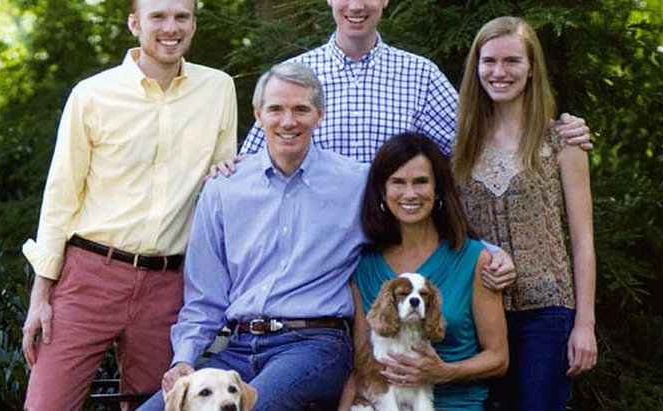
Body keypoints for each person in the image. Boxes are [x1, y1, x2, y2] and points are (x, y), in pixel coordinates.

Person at [20, 0, 237, 409]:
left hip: (168, 284)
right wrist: (41, 297)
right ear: (135, 24)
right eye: (158, 17)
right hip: (89, 278)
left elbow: (219, 188)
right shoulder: (92, 94)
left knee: (153, 406)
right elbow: (60, 196)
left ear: (193, 24)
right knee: (46, 404)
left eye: (181, 17)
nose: (170, 28)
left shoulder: (218, 88)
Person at [138, 62, 370, 411]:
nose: (288, 121)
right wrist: (183, 359)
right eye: (276, 109)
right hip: (238, 348)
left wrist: (482, 254)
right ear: (258, 115)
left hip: (315, 344)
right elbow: (204, 296)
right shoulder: (224, 188)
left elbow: (423, 226)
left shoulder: (358, 183)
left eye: (301, 109)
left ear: (320, 115)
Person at [238, 0, 592, 164]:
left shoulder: (420, 75)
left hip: (398, 248)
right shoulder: (292, 75)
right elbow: (254, 164)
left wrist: (552, 129)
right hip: (317, 249)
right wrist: (225, 167)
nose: (356, 6)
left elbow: (476, 140)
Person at [452, 16, 597, 411]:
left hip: (547, 312)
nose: (499, 72)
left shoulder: (563, 142)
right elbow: (451, 231)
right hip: (477, 313)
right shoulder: (459, 148)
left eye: (512, 61)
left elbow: (583, 241)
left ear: (531, 68)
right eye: (489, 61)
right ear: (476, 67)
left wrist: (585, 324)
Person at [339, 133, 508, 410]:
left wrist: (443, 372)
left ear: (438, 189)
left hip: (454, 403)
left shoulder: (474, 259)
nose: (410, 194)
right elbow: (361, 360)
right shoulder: (364, 265)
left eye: (421, 182)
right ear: (382, 191)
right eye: (397, 182)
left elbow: (498, 357)